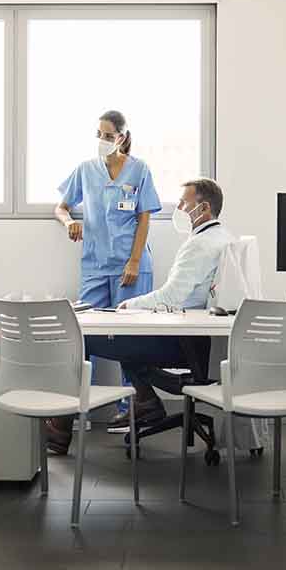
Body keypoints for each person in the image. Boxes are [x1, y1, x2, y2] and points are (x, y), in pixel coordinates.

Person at [46, 178, 233, 454]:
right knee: (125, 339)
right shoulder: (223, 237)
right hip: (198, 338)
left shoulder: (199, 245)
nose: (179, 207)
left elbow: (171, 297)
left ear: (203, 208)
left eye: (184, 203)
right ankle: (146, 401)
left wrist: (128, 305)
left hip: (182, 340)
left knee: (82, 339)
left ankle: (59, 432)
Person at [54, 109, 161, 428]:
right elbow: (60, 206)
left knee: (130, 335)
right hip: (96, 265)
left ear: (122, 138)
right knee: (83, 331)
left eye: (108, 136)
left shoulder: (139, 169)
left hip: (132, 265)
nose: (102, 141)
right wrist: (69, 221)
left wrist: (134, 261)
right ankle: (77, 406)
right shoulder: (85, 170)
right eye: (98, 135)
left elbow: (144, 218)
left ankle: (133, 406)